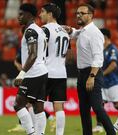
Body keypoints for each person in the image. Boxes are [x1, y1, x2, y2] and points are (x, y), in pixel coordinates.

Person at [64, 4, 116, 135]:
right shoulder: (84, 30)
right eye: (77, 13)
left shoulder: (94, 33)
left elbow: (98, 58)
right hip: (82, 73)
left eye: (82, 13)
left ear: (91, 16)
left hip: (91, 73)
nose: (78, 15)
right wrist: (70, 30)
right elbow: (76, 33)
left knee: (97, 108)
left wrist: (92, 76)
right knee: (84, 109)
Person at [13, 3, 48, 135]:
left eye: (21, 14)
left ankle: (31, 133)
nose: (18, 17)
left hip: (34, 73)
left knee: (18, 105)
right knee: (38, 107)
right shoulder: (39, 30)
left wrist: (21, 73)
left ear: (29, 15)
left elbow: (33, 54)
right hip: (42, 71)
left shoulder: (30, 31)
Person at [39, 3, 71, 135]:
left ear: (50, 14)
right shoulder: (65, 31)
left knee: (35, 105)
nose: (40, 14)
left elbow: (38, 51)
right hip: (61, 72)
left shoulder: (44, 29)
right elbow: (69, 54)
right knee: (59, 107)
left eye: (42, 12)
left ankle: (38, 132)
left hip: (45, 72)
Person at [92, 28, 118, 133]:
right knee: (100, 103)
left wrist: (101, 74)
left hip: (113, 82)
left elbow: (113, 65)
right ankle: (99, 125)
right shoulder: (101, 49)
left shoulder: (112, 49)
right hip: (103, 82)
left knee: (117, 104)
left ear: (105, 37)